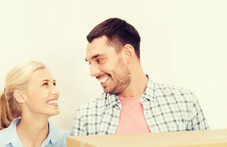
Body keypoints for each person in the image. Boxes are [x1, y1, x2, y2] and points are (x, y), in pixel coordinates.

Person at [72, 17, 209, 136]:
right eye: (90, 63)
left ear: (128, 54)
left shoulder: (184, 103)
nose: (93, 72)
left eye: (99, 60)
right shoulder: (86, 115)